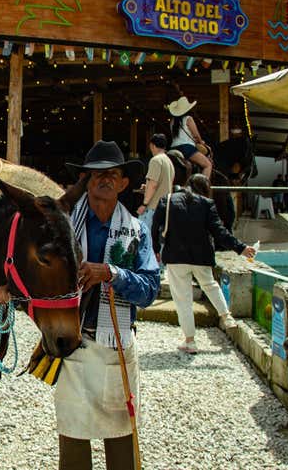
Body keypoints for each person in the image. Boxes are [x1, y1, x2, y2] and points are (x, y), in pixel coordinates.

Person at [56, 140, 160, 470]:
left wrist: (111, 273)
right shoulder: (62, 227)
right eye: (96, 174)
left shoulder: (137, 233)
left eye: (112, 174)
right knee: (73, 442)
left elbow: (149, 290)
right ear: (85, 180)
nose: (104, 180)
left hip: (116, 346)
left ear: (124, 183)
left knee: (121, 446)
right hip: (74, 348)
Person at [152, 174, 255, 354]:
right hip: (201, 256)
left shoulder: (167, 200)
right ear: (205, 188)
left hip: (175, 256)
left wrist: (155, 249)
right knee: (210, 285)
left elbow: (155, 226)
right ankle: (226, 315)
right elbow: (220, 232)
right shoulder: (207, 204)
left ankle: (190, 341)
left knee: (182, 299)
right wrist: (241, 248)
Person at [137, 133, 175, 234]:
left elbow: (153, 184)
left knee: (143, 240)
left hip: (152, 207)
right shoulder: (169, 161)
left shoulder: (155, 160)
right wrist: (147, 186)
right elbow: (163, 183)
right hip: (165, 207)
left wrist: (144, 205)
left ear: (152, 145)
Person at [167, 95, 212, 179]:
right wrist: (201, 142)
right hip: (186, 148)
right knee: (208, 165)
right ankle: (201, 187)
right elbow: (196, 135)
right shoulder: (188, 118)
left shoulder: (172, 121)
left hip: (173, 148)